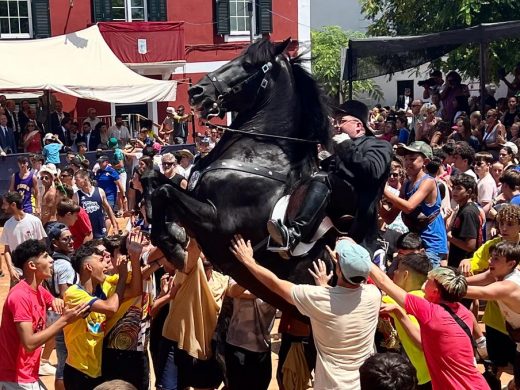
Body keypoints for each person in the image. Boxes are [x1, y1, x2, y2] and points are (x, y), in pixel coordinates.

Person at [231, 235, 381, 389]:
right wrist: (328, 283)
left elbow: (276, 284)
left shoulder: (318, 299)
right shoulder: (374, 295)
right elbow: (345, 301)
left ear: (338, 269)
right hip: (362, 383)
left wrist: (248, 261)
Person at [268, 100, 393, 254]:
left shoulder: (379, 145)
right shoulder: (341, 147)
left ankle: (295, 233)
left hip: (359, 207)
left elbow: (373, 172)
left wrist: (345, 146)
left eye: (341, 121)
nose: (336, 126)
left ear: (359, 125)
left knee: (322, 178)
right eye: (335, 121)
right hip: (334, 200)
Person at [368, 264, 490, 389]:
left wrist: (361, 256)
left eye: (428, 281)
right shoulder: (462, 311)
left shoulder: (430, 312)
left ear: (435, 292)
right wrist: (399, 313)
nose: (424, 283)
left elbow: (384, 282)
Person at [0, 240, 88, 389]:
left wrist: (56, 301)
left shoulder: (39, 290)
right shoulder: (20, 297)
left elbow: (54, 301)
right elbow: (29, 343)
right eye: (46, 256)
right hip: (16, 378)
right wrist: (64, 320)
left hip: (27, 374)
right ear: (32, 266)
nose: (51, 260)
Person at [63, 245, 128, 389]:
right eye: (100, 260)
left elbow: (135, 285)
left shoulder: (103, 286)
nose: (105, 265)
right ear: (89, 267)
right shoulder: (74, 293)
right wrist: (123, 276)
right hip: (78, 371)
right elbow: (111, 308)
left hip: (96, 370)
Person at [381, 141, 448, 267]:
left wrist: (382, 190)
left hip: (432, 244)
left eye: (412, 159)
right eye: (406, 159)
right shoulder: (406, 184)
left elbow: (408, 207)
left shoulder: (428, 182)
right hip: (414, 243)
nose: (407, 163)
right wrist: (376, 199)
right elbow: (388, 218)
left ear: (425, 162)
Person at [464, 242, 520, 389]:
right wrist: (453, 278)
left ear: (511, 263)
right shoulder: (499, 273)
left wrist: (442, 284)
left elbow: (480, 292)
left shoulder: (509, 286)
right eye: (491, 257)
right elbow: (471, 281)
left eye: (496, 259)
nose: (490, 261)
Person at [380, 253, 432, 388]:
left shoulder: (394, 301)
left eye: (397, 269)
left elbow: (421, 341)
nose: (394, 273)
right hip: (432, 371)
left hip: (422, 376)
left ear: (405, 275)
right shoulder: (426, 297)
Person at [225, 279, 276, 390]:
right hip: (237, 345)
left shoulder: (274, 276)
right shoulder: (239, 273)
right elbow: (233, 291)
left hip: (263, 347)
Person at [0, 191, 47, 284]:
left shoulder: (34, 221)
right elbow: (7, 250)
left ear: (13, 205)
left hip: (35, 272)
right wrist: (11, 269)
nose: (2, 207)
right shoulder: (7, 225)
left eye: (5, 204)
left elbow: (42, 246)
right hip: (17, 274)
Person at [447, 173, 482, 268]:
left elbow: (470, 246)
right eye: (453, 188)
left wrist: (449, 237)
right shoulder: (463, 208)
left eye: (459, 188)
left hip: (464, 266)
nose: (454, 191)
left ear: (469, 191)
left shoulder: (468, 212)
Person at [74, 169, 119, 238]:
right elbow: (74, 216)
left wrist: (115, 226)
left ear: (85, 179)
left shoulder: (100, 191)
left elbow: (108, 208)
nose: (75, 182)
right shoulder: (76, 195)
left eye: (77, 180)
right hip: (87, 233)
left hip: (100, 230)